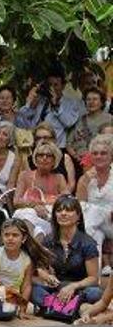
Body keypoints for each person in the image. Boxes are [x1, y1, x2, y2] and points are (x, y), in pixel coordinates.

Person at [30, 195, 103, 315]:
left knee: (95, 293)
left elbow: (94, 279)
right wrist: (46, 276)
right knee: (31, 288)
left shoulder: (88, 243)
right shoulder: (48, 240)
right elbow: (39, 268)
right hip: (56, 288)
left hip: (79, 289)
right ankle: (71, 309)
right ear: (55, 215)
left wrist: (73, 286)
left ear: (78, 216)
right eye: (59, 210)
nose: (63, 213)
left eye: (68, 210)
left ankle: (54, 307)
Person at [12, 141, 69, 240]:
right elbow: (16, 201)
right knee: (29, 215)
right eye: (41, 155)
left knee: (39, 230)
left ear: (54, 160)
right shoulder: (25, 175)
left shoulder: (59, 178)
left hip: (47, 218)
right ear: (35, 158)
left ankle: (26, 247)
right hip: (25, 216)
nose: (44, 158)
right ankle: (29, 246)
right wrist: (34, 206)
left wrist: (47, 207)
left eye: (49, 155)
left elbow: (67, 200)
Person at [19, 66, 85, 148]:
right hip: (36, 146)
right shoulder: (40, 100)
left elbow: (69, 122)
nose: (52, 88)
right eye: (50, 85)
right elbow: (22, 120)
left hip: (57, 148)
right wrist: (30, 104)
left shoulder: (70, 103)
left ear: (63, 86)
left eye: (56, 85)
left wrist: (56, 105)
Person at [76, 134, 113, 276]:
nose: (99, 156)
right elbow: (80, 206)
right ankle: (94, 278)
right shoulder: (85, 178)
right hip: (94, 224)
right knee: (95, 234)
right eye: (95, 153)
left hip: (111, 221)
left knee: (92, 215)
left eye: (103, 153)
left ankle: (78, 248)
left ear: (111, 156)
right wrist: (85, 182)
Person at [67, 86, 113, 164]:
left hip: (102, 163)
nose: (91, 102)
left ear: (102, 102)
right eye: (88, 99)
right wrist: (76, 156)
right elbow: (69, 143)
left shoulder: (110, 119)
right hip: (80, 163)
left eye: (95, 99)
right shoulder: (79, 120)